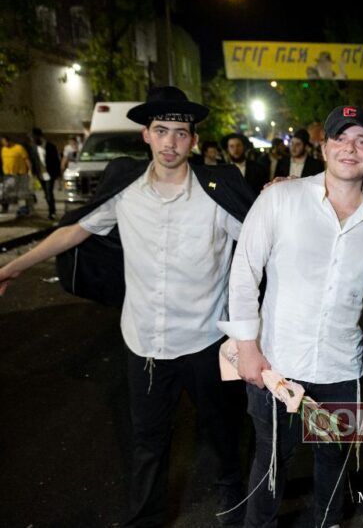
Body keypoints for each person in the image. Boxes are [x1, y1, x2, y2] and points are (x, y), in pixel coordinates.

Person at [0, 86, 253, 526]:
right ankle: (146, 519)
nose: (170, 142)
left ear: (193, 140)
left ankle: (234, 494)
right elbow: (74, 230)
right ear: (146, 136)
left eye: (180, 133)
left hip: (206, 341)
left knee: (223, 430)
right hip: (145, 343)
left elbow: (259, 239)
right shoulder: (125, 192)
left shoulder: (217, 194)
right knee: (147, 441)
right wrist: (14, 268)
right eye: (161, 131)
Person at [219, 105, 363, 528]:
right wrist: (247, 348)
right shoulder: (280, 198)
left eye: (362, 140)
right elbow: (243, 272)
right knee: (272, 460)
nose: (350, 148)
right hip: (277, 363)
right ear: (323, 148)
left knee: (334, 463)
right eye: (340, 138)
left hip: (343, 367)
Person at [30, 127, 61, 219]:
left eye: (33, 137)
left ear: (39, 136)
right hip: (40, 174)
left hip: (50, 174)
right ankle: (51, 210)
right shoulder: (34, 148)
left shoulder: (50, 147)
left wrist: (58, 174)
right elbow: (34, 161)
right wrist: (33, 173)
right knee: (46, 194)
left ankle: (52, 212)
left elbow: (56, 161)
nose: (32, 139)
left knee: (49, 194)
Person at [0, 134, 32, 215]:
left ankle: (23, 209)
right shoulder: (3, 149)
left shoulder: (19, 148)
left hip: (20, 174)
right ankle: (5, 207)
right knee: (6, 191)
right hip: (8, 175)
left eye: (5, 142)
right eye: (2, 142)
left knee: (22, 192)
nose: (4, 144)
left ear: (9, 141)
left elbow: (26, 159)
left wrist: (30, 170)